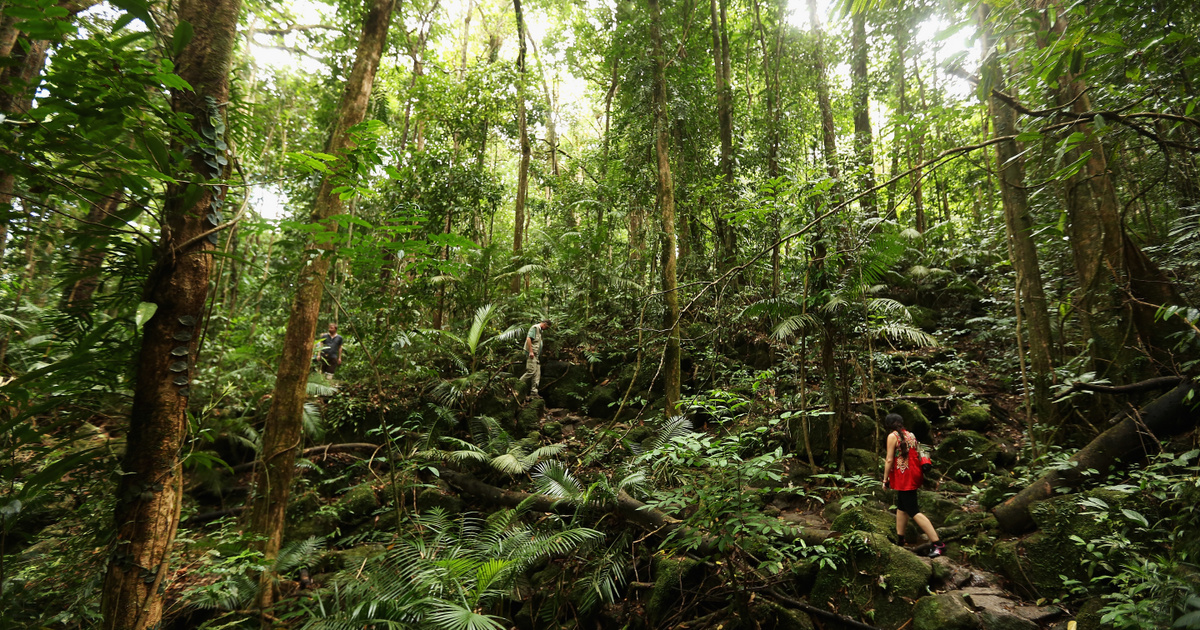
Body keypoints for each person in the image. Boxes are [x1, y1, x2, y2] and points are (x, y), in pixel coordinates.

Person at [881, 413, 945, 557]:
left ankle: (938, 544)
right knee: (902, 508)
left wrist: (885, 479)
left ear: (888, 425)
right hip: (913, 474)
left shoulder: (892, 437)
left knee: (913, 511)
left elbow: (889, 460)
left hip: (905, 477)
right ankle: (900, 539)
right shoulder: (910, 435)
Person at [519, 320, 550, 398]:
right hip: (532, 354)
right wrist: (531, 351)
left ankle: (534, 393)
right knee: (531, 371)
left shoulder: (540, 331)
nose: (546, 329)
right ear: (544, 324)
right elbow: (529, 339)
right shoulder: (535, 328)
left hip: (536, 355)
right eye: (547, 327)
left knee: (537, 374)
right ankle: (517, 385)